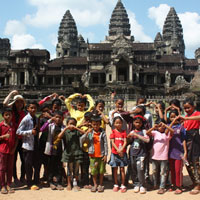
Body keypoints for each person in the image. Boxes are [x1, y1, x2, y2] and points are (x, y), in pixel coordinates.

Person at [3, 90, 26, 185]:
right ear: (14, 102)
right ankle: (15, 177)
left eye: (21, 102)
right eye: (17, 101)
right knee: (14, 159)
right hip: (12, 139)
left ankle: (22, 177)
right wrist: (12, 93)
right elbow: (5, 103)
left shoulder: (25, 113)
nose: (19, 103)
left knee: (24, 159)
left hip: (22, 139)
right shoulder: (11, 112)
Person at [56, 117, 85, 191]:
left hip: (77, 153)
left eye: (73, 124)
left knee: (76, 170)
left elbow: (84, 133)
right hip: (68, 153)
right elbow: (59, 136)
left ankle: (75, 183)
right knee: (69, 169)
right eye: (70, 124)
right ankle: (69, 183)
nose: (72, 125)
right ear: (67, 124)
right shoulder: (66, 132)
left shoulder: (77, 132)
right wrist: (65, 128)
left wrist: (77, 128)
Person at [178, 98, 200, 195]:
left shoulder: (196, 114)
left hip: (195, 139)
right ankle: (194, 181)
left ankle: (198, 184)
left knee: (195, 161)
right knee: (188, 161)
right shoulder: (186, 116)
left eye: (188, 107)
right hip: (187, 139)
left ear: (193, 107)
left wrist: (187, 118)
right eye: (185, 108)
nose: (186, 110)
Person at [16, 101, 40, 190]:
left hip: (35, 144)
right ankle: (29, 183)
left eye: (35, 108)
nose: (33, 109)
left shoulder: (36, 118)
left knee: (36, 164)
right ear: (28, 109)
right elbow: (18, 131)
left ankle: (36, 181)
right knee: (28, 165)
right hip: (27, 146)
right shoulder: (26, 119)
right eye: (31, 108)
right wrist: (30, 132)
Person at [81, 115, 108, 193]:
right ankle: (95, 184)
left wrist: (105, 154)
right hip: (92, 155)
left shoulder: (102, 133)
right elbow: (81, 140)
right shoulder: (90, 133)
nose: (95, 126)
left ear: (100, 124)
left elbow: (105, 144)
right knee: (94, 171)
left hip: (101, 155)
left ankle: (100, 184)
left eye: (97, 124)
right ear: (91, 124)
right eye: (94, 124)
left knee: (101, 171)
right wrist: (86, 133)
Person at [146, 121, 174, 194]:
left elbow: (172, 131)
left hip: (163, 157)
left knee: (163, 173)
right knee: (154, 171)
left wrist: (166, 125)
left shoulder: (167, 135)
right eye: (160, 126)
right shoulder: (155, 133)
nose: (161, 127)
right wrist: (153, 127)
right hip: (155, 156)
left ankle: (162, 187)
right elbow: (147, 133)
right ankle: (155, 185)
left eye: (162, 126)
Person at [40, 111, 65, 190]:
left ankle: (58, 182)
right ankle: (50, 181)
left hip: (60, 149)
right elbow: (42, 129)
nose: (58, 119)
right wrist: (50, 120)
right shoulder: (51, 125)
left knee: (59, 167)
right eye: (56, 117)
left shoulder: (63, 127)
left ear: (62, 119)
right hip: (51, 149)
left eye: (60, 118)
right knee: (50, 166)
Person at [127, 115, 150, 194]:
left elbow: (147, 140)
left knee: (140, 169)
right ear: (133, 123)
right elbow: (128, 141)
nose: (137, 124)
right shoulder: (132, 131)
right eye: (136, 122)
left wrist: (137, 136)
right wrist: (128, 137)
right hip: (133, 153)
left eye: (139, 123)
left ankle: (142, 185)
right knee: (134, 169)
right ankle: (136, 184)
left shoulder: (143, 131)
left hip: (141, 154)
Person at [167, 110, 187, 194]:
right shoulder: (168, 126)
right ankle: (173, 184)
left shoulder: (181, 127)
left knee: (178, 170)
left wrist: (185, 151)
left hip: (179, 152)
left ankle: (179, 186)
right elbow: (166, 132)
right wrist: (172, 123)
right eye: (171, 117)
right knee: (172, 170)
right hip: (170, 152)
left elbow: (183, 140)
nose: (173, 118)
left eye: (175, 116)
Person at [109, 116, 128, 193]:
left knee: (122, 169)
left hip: (122, 153)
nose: (118, 124)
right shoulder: (113, 132)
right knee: (115, 169)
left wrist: (121, 150)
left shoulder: (124, 132)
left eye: (120, 123)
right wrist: (117, 150)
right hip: (115, 153)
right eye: (116, 123)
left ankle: (123, 185)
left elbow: (125, 142)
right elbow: (112, 142)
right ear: (114, 123)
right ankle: (116, 184)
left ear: (122, 124)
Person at [0, 107, 16, 194]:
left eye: (10, 114)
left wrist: (14, 148)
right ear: (3, 116)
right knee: (2, 168)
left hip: (11, 150)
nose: (9, 116)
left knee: (10, 168)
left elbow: (16, 138)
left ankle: (9, 184)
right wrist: (3, 137)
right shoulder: (1, 125)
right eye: (6, 115)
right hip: (3, 150)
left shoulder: (13, 125)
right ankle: (2, 185)